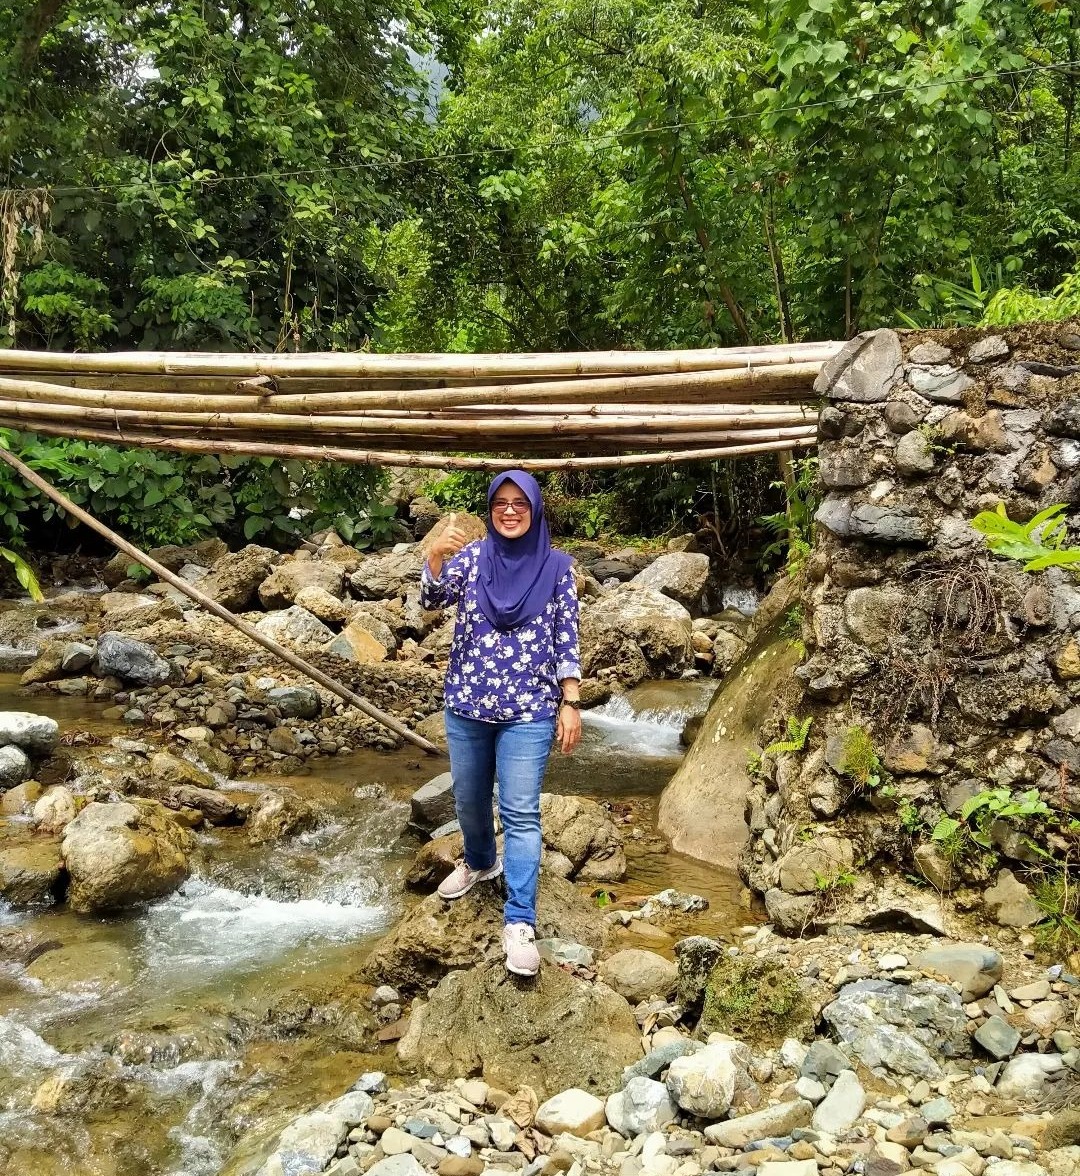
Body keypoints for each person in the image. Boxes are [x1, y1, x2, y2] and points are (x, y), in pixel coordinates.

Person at [419, 470, 582, 977]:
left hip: (529, 710)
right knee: (468, 799)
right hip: (467, 704)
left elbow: (566, 637)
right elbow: (432, 600)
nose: (510, 511)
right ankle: (480, 861)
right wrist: (435, 555)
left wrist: (570, 700)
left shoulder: (558, 568)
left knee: (521, 813)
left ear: (535, 510)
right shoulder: (472, 558)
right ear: (490, 510)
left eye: (520, 503)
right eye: (500, 504)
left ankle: (520, 922)